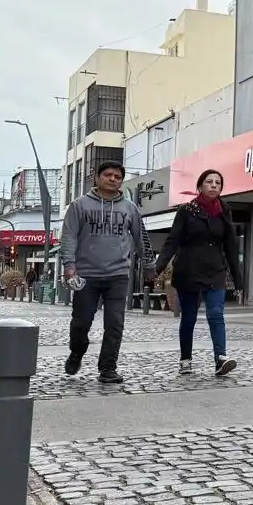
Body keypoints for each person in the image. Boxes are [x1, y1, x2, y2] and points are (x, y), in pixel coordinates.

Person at [59, 161, 153, 384]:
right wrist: (69, 266)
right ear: (97, 178)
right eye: (108, 175)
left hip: (118, 274)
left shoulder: (130, 208)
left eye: (117, 176)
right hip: (86, 275)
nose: (113, 179)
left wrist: (149, 264)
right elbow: (69, 236)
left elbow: (142, 237)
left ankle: (108, 368)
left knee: (115, 323)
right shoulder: (79, 206)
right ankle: (77, 351)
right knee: (81, 322)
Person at [154, 169, 243, 377]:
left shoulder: (224, 210)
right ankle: (186, 359)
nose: (214, 185)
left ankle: (220, 358)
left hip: (215, 271)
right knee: (189, 318)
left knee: (216, 313)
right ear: (200, 186)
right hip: (189, 270)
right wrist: (157, 267)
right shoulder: (187, 211)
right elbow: (172, 241)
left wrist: (238, 280)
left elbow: (231, 246)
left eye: (218, 183)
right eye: (209, 182)